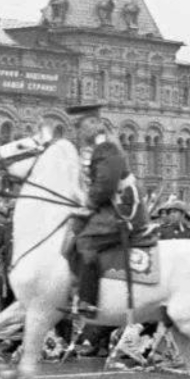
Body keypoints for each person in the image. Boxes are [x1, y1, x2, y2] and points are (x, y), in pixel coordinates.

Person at [66, 104, 148, 318]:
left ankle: (89, 300)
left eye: (82, 126)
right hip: (110, 206)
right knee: (73, 230)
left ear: (95, 124)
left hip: (123, 210)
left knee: (87, 241)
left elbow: (106, 184)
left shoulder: (107, 148)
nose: (79, 132)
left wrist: (89, 206)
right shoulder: (98, 148)